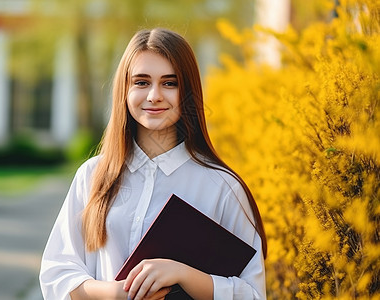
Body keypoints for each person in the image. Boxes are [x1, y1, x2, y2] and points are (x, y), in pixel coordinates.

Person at [39, 28, 267, 300]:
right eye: (141, 82)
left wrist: (183, 274)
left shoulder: (222, 187)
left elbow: (253, 294)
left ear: (188, 92)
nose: (154, 95)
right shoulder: (92, 176)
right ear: (124, 90)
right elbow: (57, 273)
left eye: (169, 83)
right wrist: (116, 293)